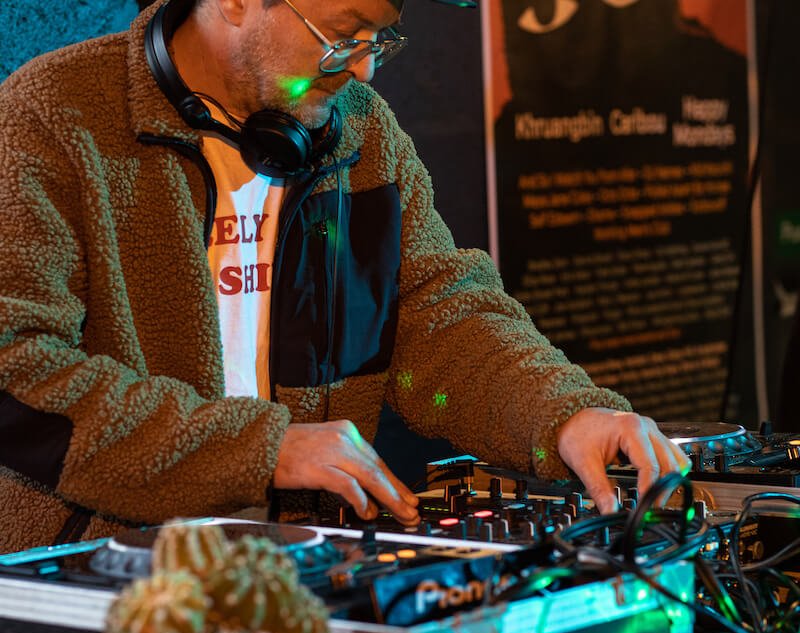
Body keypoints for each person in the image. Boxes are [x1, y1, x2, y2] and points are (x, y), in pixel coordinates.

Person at [0, 0, 688, 554]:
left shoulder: (362, 134)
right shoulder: (55, 117)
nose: (363, 68)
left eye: (381, 38)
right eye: (342, 34)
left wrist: (563, 415)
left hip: (304, 566)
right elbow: (16, 374)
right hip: (106, 578)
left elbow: (440, 322)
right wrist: (260, 451)